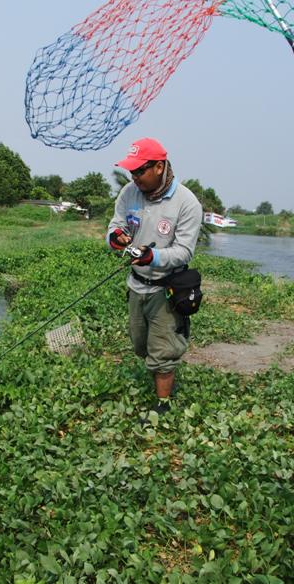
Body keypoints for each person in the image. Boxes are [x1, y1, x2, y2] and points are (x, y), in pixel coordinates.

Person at [106, 137, 203, 415]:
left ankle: (162, 406)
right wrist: (115, 238)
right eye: (131, 171)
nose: (134, 177)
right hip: (136, 285)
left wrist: (153, 257)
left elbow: (184, 252)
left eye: (140, 171)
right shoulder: (129, 193)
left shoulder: (187, 203)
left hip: (165, 288)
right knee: (141, 344)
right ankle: (158, 378)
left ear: (159, 167)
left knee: (163, 352)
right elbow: (116, 225)